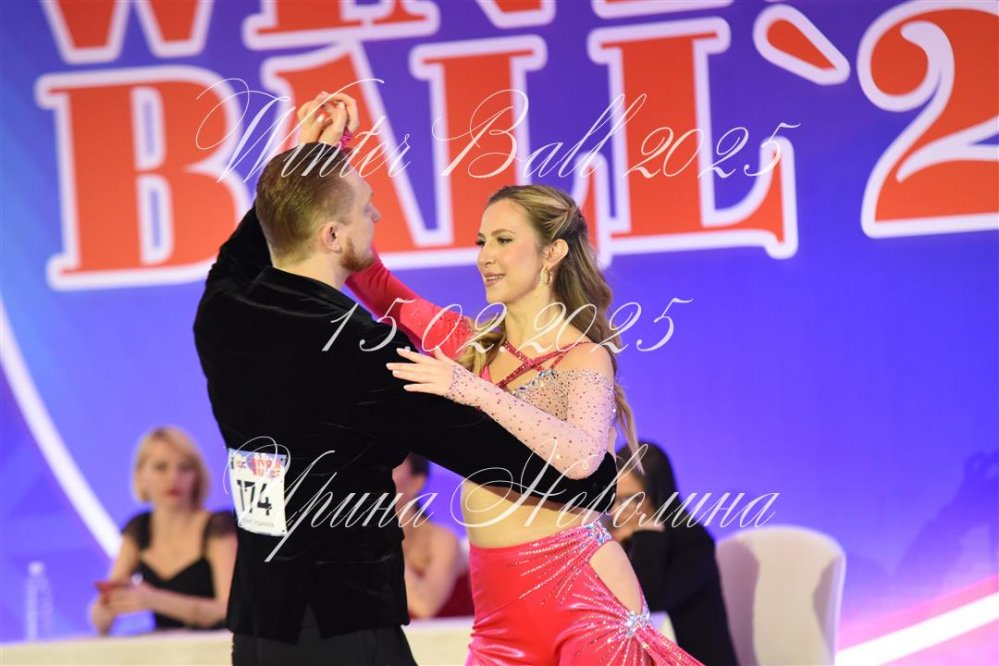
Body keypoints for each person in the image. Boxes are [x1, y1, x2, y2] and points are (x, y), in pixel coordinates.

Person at [193, 93, 619, 665]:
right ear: (332, 236)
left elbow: (247, 254)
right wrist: (597, 480)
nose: (376, 217)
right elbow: (499, 456)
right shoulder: (364, 351)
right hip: (344, 621)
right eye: (366, 208)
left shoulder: (222, 310)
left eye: (502, 239)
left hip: (260, 621)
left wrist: (307, 160)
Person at [346, 178, 701, 661]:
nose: (484, 256)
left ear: (552, 253)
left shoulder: (583, 356)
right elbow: (378, 287)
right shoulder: (470, 346)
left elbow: (581, 456)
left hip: (583, 600)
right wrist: (328, 175)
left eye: (503, 240)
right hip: (498, 616)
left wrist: (473, 390)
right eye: (481, 241)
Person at [89, 427, 236, 634]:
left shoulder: (218, 526)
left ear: (197, 476)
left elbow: (229, 610)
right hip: (165, 647)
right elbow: (104, 612)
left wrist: (153, 600)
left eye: (184, 468)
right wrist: (104, 609)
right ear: (140, 475)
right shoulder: (139, 528)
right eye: (160, 467)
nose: (173, 477)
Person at [611, 441, 738, 666]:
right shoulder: (612, 537)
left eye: (630, 499)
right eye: (614, 498)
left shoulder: (694, 541)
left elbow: (650, 602)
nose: (617, 511)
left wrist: (647, 533)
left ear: (657, 495)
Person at [392, 453, 470, 618]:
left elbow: (425, 607)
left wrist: (382, 542)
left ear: (416, 482)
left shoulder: (442, 540)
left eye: (391, 467)